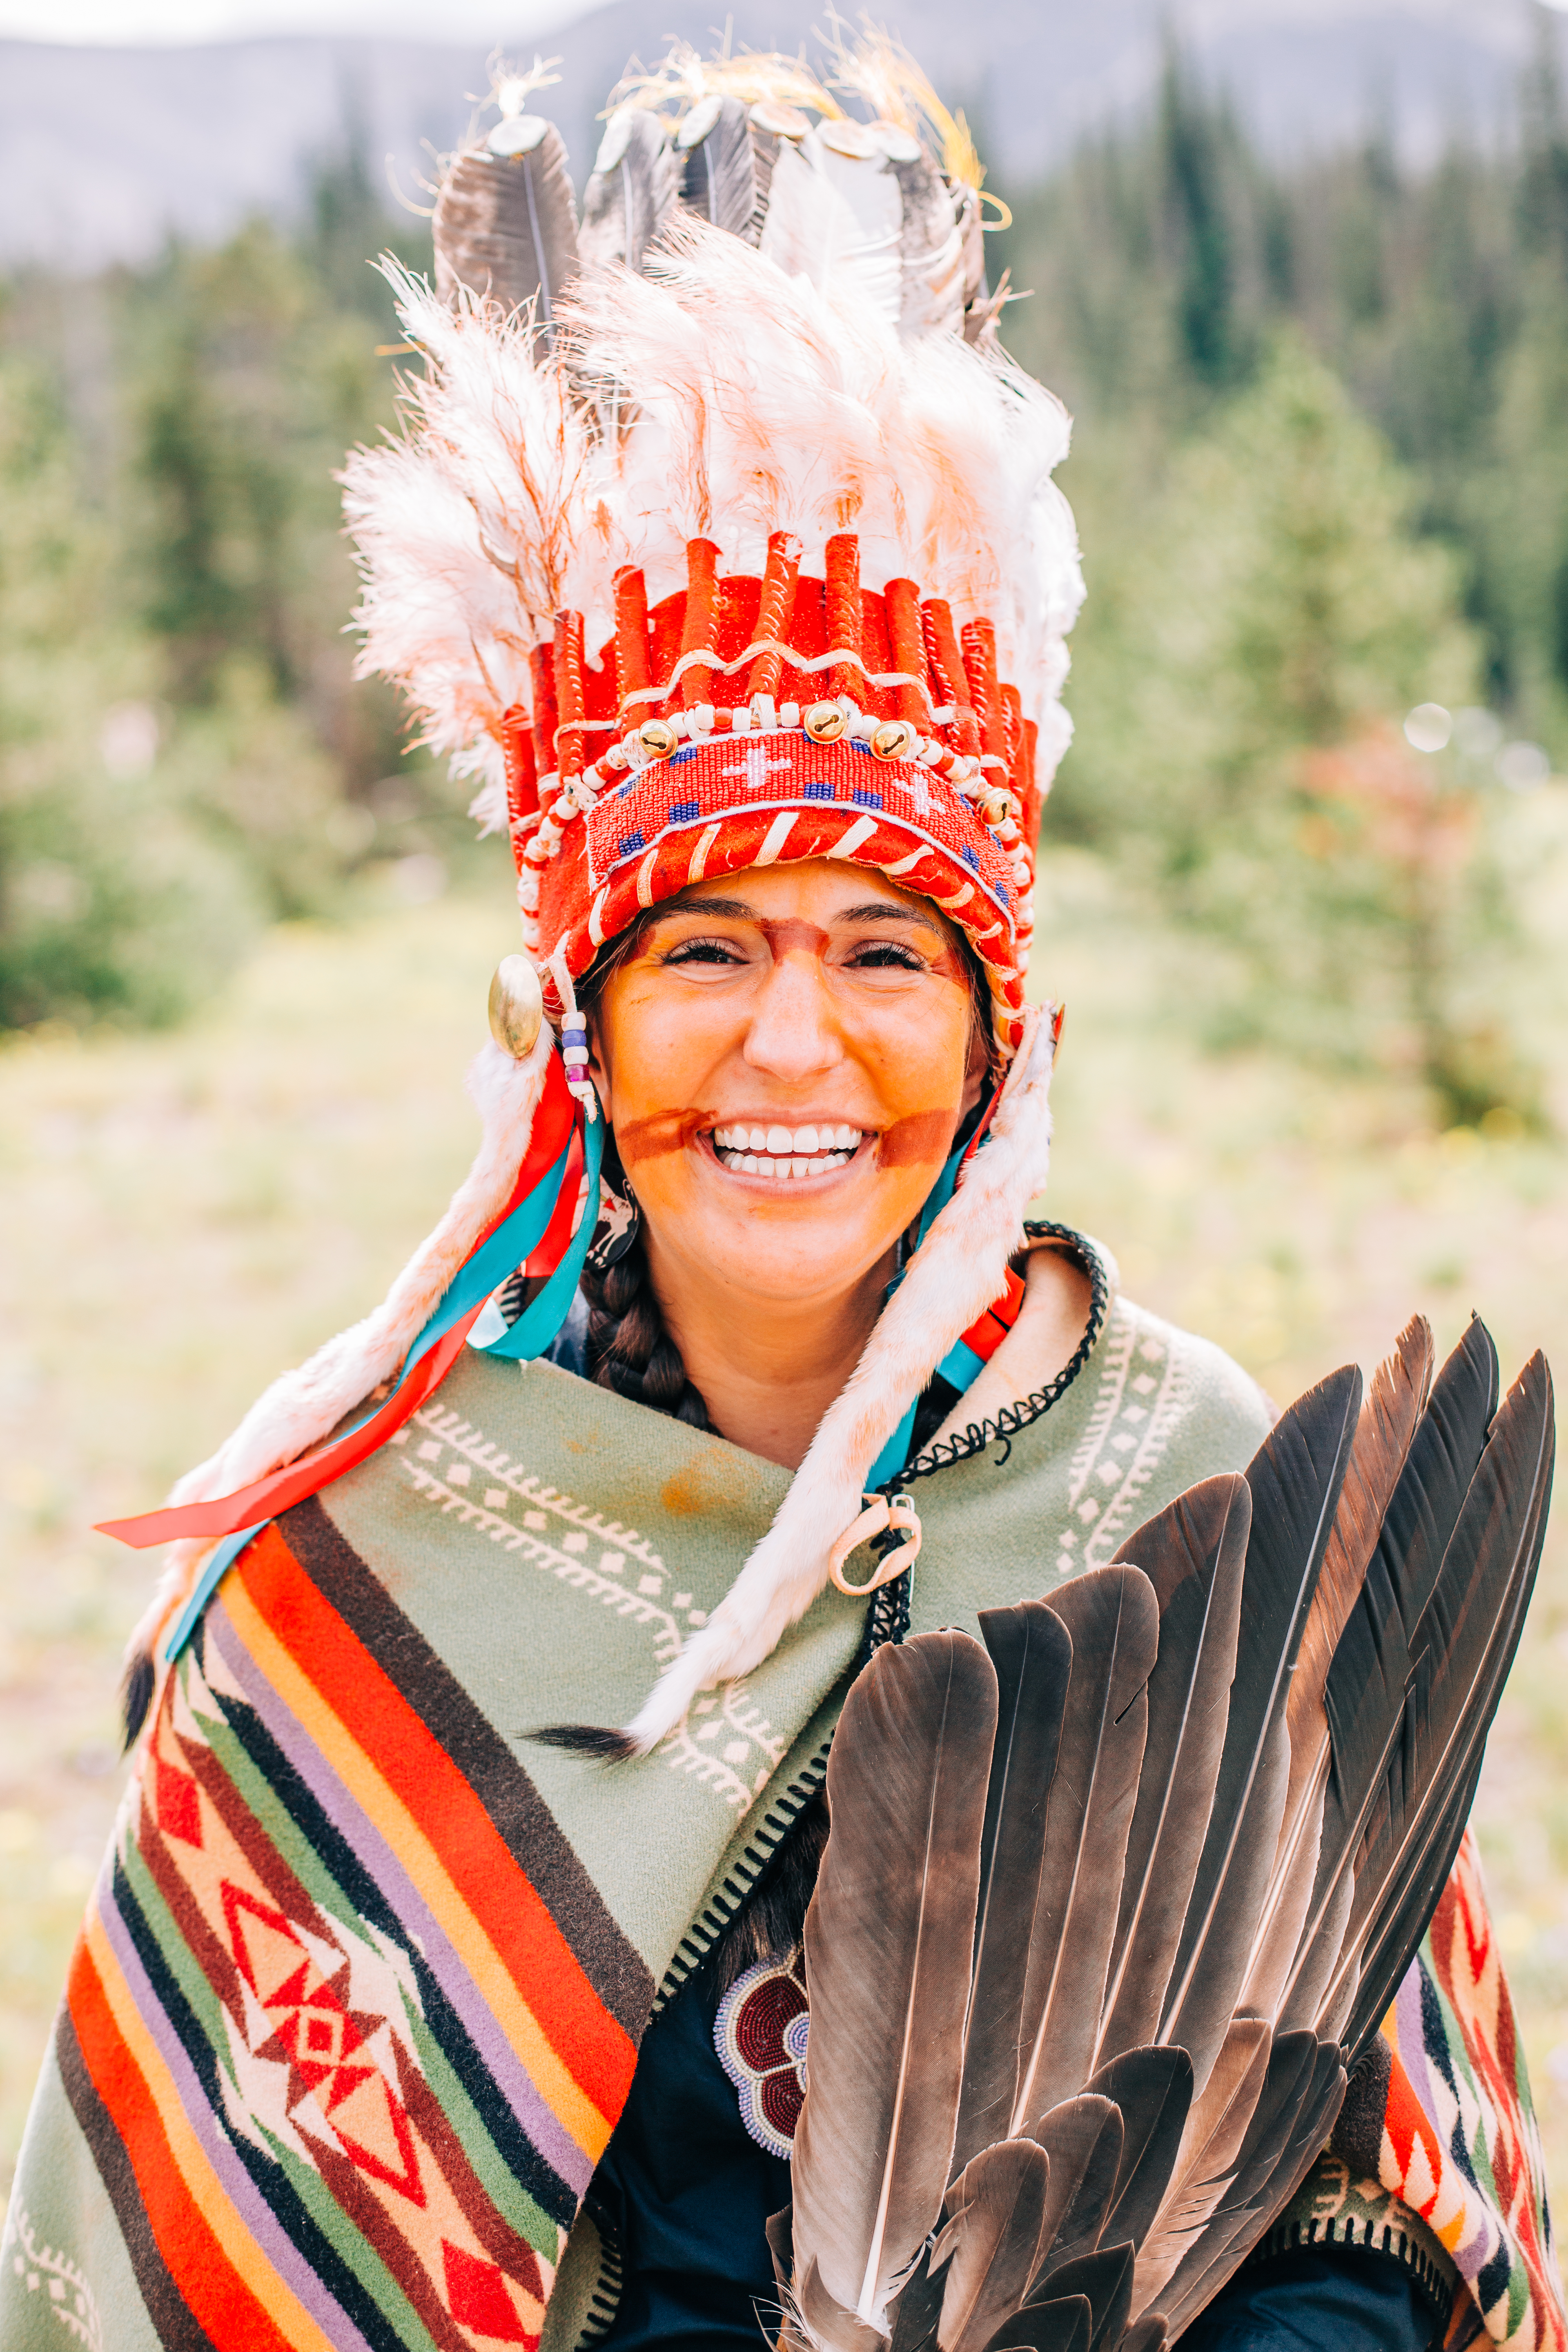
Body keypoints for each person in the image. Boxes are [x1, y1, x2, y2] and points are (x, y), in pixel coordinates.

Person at [1, 45, 1559, 2352]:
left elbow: (1385, 2182)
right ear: (585, 1034)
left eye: (887, 959)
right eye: (705, 951)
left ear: (996, 1037)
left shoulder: (1192, 1483)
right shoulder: (365, 1568)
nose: (794, 1051)